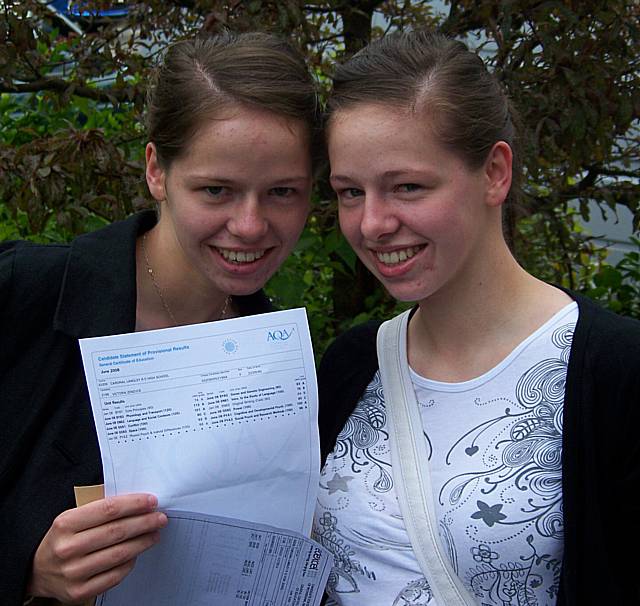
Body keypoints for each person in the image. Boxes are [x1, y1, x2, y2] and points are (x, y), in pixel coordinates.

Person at [314, 30, 640, 606]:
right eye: (349, 192)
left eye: (408, 187)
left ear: (494, 172)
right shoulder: (350, 367)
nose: (372, 224)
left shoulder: (613, 371)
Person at [0, 30, 320, 605]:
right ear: (156, 170)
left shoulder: (281, 362)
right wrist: (27, 572)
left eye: (281, 192)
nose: (250, 225)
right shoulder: (22, 294)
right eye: (216, 190)